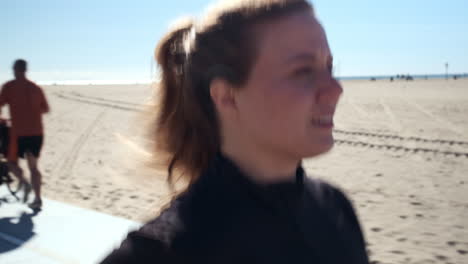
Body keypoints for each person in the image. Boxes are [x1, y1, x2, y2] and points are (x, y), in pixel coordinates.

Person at [102, 0, 369, 263]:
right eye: (302, 71)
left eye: (329, 68)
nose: (335, 89)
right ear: (226, 95)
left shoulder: (335, 207)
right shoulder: (164, 251)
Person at [0, 59, 50, 209]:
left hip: (19, 134)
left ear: (15, 69)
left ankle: (25, 182)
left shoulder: (9, 87)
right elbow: (45, 109)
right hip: (37, 133)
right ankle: (38, 199)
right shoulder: (35, 88)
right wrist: (31, 113)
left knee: (10, 162)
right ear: (25, 70)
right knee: (33, 167)